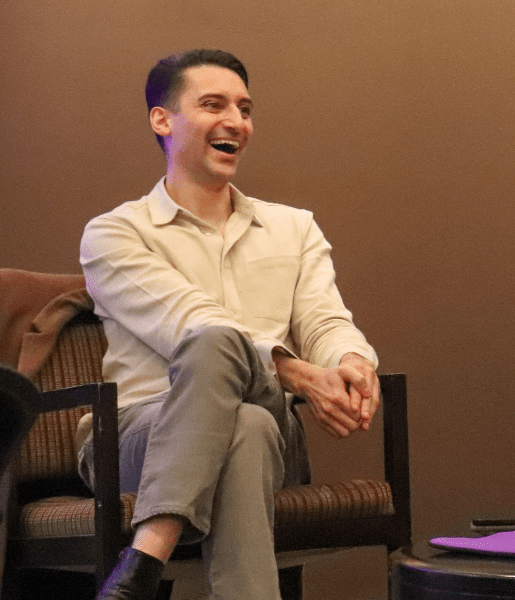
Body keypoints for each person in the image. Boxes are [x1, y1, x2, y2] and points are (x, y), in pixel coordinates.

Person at [78, 49, 380, 600]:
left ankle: (142, 562)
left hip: (273, 428)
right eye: (213, 105)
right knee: (233, 394)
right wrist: (298, 374)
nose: (236, 121)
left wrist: (350, 362)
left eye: (244, 109)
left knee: (250, 415)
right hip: (140, 435)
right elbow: (190, 323)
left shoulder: (293, 227)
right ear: (162, 120)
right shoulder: (115, 234)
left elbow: (325, 320)